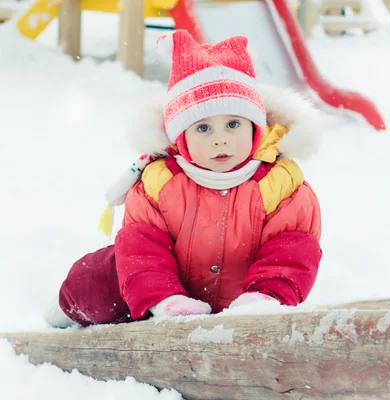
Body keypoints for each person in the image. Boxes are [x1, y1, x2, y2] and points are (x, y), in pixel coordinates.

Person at [44, 30, 324, 328]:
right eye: (203, 129)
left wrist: (266, 296)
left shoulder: (282, 183)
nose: (221, 140)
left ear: (256, 128)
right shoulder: (160, 181)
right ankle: (68, 305)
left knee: (296, 245)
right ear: (181, 136)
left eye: (233, 124)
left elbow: (291, 249)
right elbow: (143, 247)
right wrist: (164, 298)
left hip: (243, 292)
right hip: (162, 287)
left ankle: (261, 300)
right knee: (104, 277)